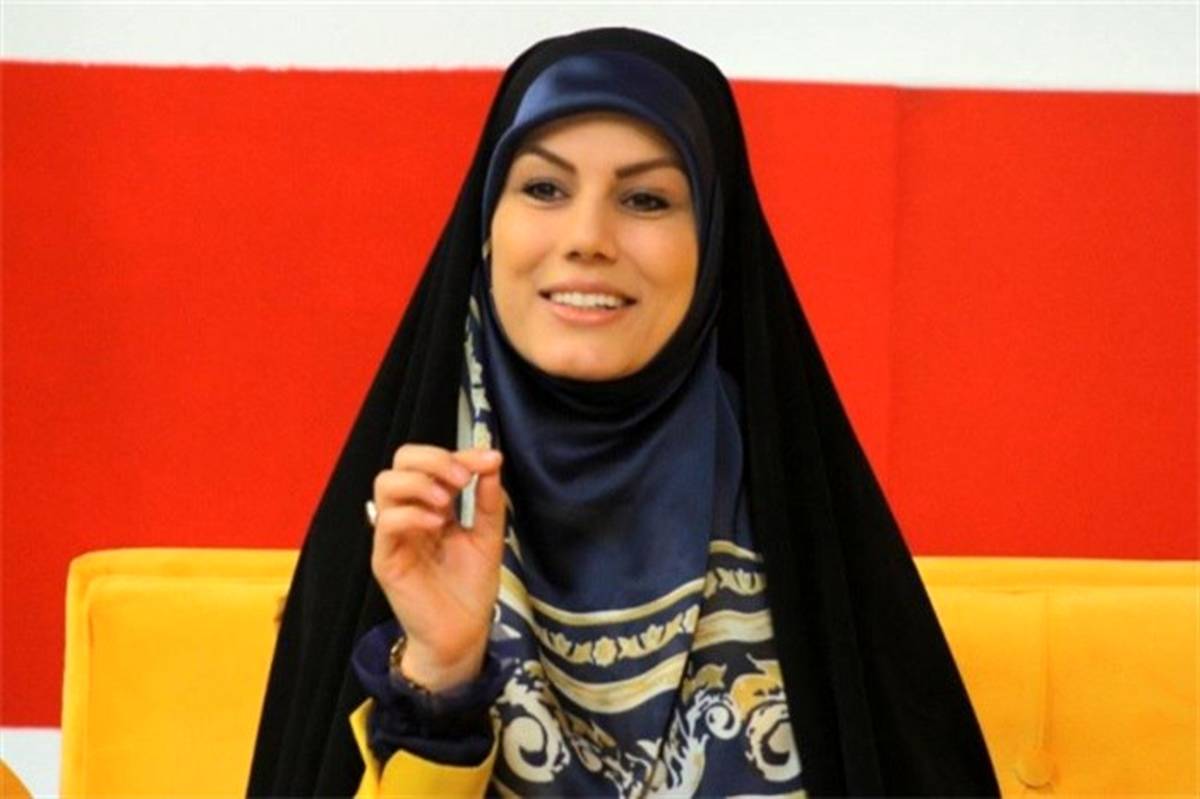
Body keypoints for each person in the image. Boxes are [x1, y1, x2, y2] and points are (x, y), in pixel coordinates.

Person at [248, 27, 999, 797]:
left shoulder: (813, 542)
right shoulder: (399, 537)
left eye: (646, 199)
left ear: (713, 241)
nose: (587, 239)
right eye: (544, 189)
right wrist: (440, 674)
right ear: (487, 223)